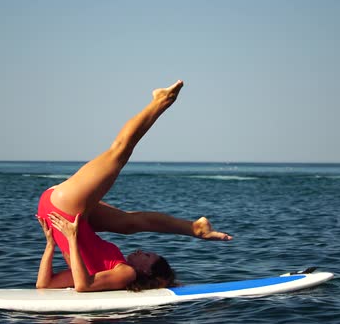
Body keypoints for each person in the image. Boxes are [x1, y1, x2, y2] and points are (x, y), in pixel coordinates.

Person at [36, 80, 232, 292]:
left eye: (148, 257)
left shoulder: (126, 272)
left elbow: (68, 285)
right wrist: (60, 241)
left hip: (64, 212)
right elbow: (51, 285)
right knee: (131, 223)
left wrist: (55, 244)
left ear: (151, 275)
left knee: (119, 152)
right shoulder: (114, 271)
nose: (142, 252)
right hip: (64, 213)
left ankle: (162, 101)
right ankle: (195, 228)